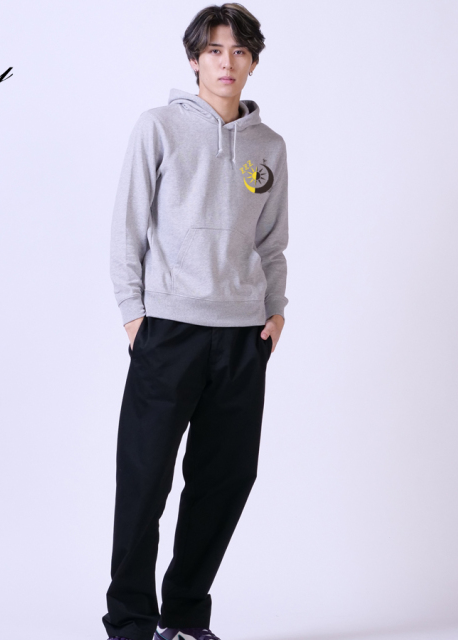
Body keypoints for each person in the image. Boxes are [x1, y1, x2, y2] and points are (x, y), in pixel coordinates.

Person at [103, 4, 288, 640]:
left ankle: (182, 617)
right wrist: (134, 315)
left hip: (243, 337)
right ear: (194, 59)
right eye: (214, 50)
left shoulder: (268, 146)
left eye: (239, 51)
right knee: (144, 480)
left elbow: (271, 242)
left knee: (226, 479)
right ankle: (131, 622)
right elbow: (127, 227)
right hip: (168, 331)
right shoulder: (158, 128)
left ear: (253, 61)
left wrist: (275, 311)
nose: (226, 62)